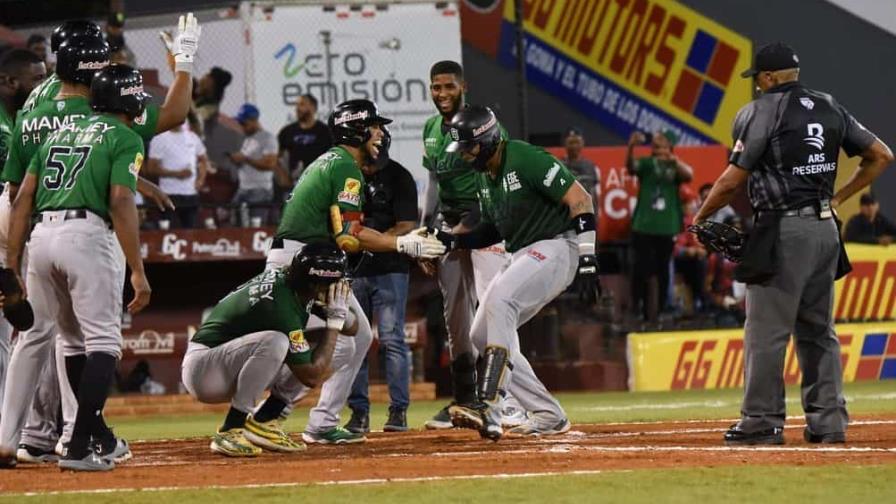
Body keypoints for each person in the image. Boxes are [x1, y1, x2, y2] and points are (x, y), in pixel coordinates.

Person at [0, 14, 200, 469]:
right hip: (81, 223)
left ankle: (17, 436)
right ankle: (77, 434)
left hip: (25, 212)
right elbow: (172, 113)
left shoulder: (37, 99)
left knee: (34, 336)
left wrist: (11, 261)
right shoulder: (101, 106)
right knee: (90, 340)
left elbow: (25, 185)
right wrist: (184, 62)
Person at [695, 42, 893, 445]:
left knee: (766, 332)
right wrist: (838, 197)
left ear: (767, 77)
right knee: (818, 330)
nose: (757, 86)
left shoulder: (761, 110)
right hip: (825, 231)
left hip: (784, 230)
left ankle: (761, 421)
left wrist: (700, 216)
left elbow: (734, 178)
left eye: (758, 80)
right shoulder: (829, 105)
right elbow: (880, 154)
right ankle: (829, 422)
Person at [267, 98, 444, 444]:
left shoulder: (334, 161)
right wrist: (404, 244)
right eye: (375, 126)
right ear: (357, 129)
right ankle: (268, 415)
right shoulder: (346, 167)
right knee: (300, 343)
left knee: (355, 338)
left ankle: (314, 421)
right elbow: (351, 237)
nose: (381, 133)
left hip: (305, 261)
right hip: (303, 265)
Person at [5, 64, 153, 471]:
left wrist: (11, 264)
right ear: (125, 100)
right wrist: (138, 270)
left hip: (41, 239)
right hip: (86, 236)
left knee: (68, 342)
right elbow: (122, 199)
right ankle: (78, 445)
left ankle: (82, 435)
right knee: (104, 342)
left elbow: (21, 203)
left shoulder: (57, 133)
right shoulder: (126, 136)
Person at [428, 105, 598, 440]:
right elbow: (492, 231)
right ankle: (548, 415)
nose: (463, 155)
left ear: (489, 139)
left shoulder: (524, 157)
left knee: (501, 299)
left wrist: (589, 257)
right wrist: (448, 241)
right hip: (524, 251)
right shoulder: (483, 175)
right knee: (481, 334)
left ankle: (489, 404)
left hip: (558, 246)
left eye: (468, 147)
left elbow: (581, 199)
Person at [420, 60, 525, 431]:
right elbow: (433, 182)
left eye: (448, 87)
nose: (442, 94)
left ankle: (508, 399)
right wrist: (424, 230)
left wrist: (472, 222)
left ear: (463, 86)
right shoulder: (431, 129)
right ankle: (464, 398)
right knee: (457, 318)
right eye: (436, 87)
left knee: (496, 308)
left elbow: (499, 174)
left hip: (484, 225)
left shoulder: (484, 122)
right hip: (448, 227)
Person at [183, 243, 355, 457]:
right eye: (334, 282)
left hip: (226, 361)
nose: (340, 285)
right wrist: (335, 320)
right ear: (316, 283)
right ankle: (230, 429)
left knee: (343, 345)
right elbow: (311, 376)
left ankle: (265, 419)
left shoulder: (294, 285)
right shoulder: (281, 304)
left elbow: (352, 328)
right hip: (205, 370)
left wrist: (337, 311)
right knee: (277, 342)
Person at [343, 127, 418, 434]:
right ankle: (359, 412)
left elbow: (406, 225)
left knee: (391, 339)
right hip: (354, 268)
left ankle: (398, 411)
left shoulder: (399, 177)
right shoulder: (348, 177)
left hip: (390, 267)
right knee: (355, 343)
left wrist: (375, 242)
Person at [0, 48, 46, 431]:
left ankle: (10, 425)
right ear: (9, 82)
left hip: (16, 225)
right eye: (36, 77)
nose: (43, 84)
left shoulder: (26, 122)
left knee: (9, 337)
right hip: (6, 222)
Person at [625, 129, 693, 321]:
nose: (658, 146)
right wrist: (631, 147)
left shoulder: (674, 167)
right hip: (643, 225)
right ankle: (638, 309)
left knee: (663, 270)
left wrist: (672, 159)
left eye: (662, 144)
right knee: (641, 269)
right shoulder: (647, 164)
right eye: (656, 144)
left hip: (667, 226)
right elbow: (631, 167)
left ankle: (663, 310)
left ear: (669, 147)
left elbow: (689, 175)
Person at [146, 121, 209, 228]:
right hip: (168, 194)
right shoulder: (160, 139)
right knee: (167, 232)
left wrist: (200, 180)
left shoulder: (192, 136)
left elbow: (203, 160)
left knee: (191, 232)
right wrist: (176, 174)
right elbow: (151, 168)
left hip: (190, 194)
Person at [229, 103, 277, 226]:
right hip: (244, 188)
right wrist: (237, 160)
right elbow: (246, 161)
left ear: (254, 120)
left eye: (244, 123)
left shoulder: (268, 138)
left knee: (256, 225)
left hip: (260, 189)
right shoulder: (248, 139)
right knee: (234, 220)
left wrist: (245, 159)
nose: (242, 127)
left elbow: (270, 164)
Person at [277, 93, 332, 181]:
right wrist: (282, 176)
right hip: (296, 182)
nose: (297, 109)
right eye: (297, 105)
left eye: (302, 105)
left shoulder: (325, 131)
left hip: (320, 181)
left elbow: (335, 156)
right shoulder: (287, 131)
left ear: (313, 107)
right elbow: (276, 157)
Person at [562, 127, 600, 211]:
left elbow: (594, 194)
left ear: (582, 143)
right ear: (565, 144)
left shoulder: (590, 166)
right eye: (571, 143)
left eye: (577, 142)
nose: (574, 146)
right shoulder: (560, 166)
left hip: (587, 214)